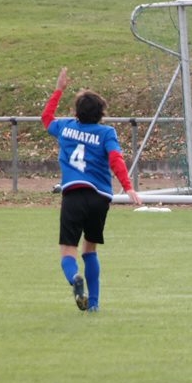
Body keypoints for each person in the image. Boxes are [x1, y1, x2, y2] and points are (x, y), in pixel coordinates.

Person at [42, 67, 143, 312]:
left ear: (76, 112)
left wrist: (59, 89)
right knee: (90, 248)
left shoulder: (65, 127)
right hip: (99, 198)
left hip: (73, 194)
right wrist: (128, 187)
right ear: (101, 114)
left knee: (68, 250)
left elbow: (46, 118)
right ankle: (94, 304)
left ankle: (74, 277)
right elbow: (116, 159)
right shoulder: (106, 132)